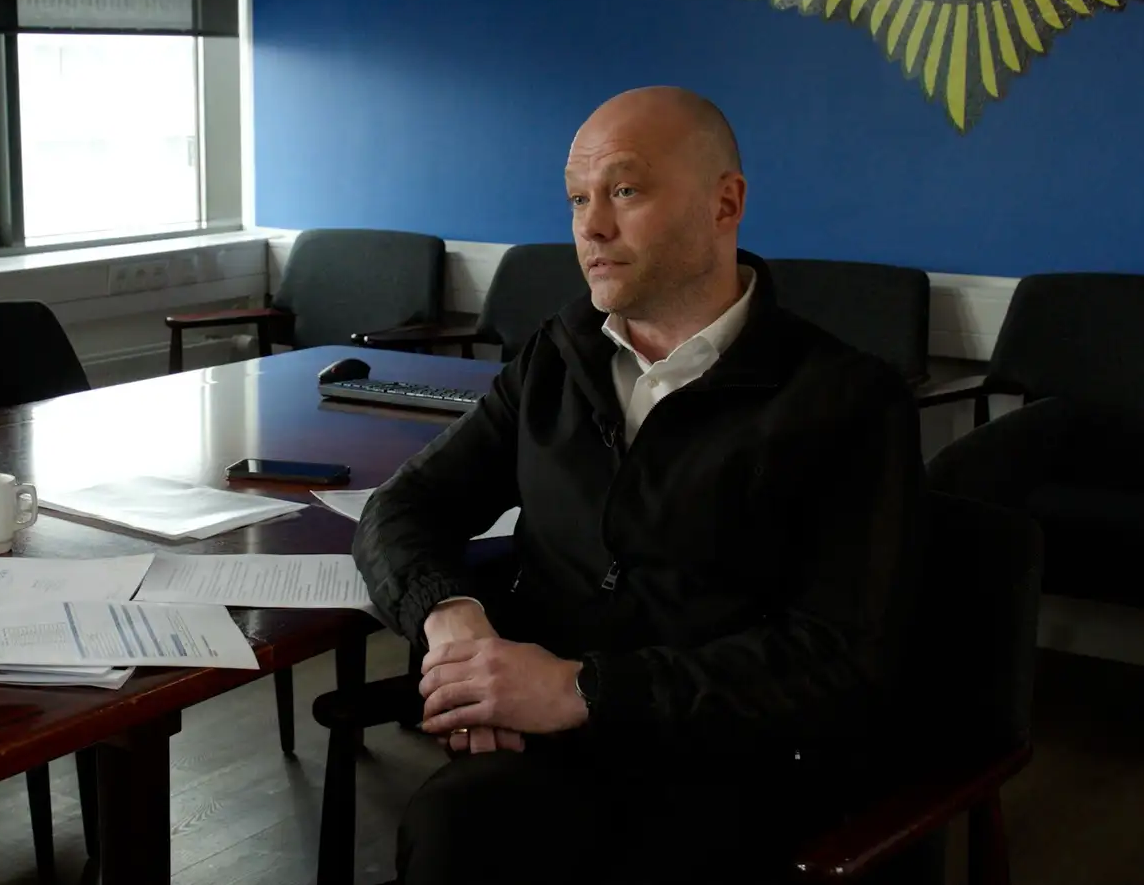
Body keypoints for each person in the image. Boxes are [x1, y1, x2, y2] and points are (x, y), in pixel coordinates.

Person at [353, 86, 926, 884]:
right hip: (550, 749)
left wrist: (583, 690)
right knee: (458, 827)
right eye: (577, 199)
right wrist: (453, 624)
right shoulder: (559, 357)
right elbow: (404, 506)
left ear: (725, 204)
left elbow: (840, 658)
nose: (591, 227)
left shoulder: (845, 400)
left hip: (737, 765)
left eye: (624, 190)